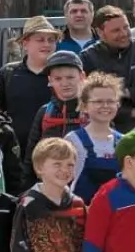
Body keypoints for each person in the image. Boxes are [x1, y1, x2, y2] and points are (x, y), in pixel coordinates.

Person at [23, 50, 88, 181]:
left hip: (83, 186)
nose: (64, 83)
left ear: (82, 77)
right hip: (48, 186)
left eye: (70, 77)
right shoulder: (44, 112)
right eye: (58, 79)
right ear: (50, 80)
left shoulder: (92, 111)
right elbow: (31, 157)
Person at [67, 72, 125, 203]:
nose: (105, 106)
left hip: (116, 210)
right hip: (81, 210)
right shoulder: (73, 140)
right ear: (84, 106)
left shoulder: (124, 141)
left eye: (110, 101)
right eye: (98, 101)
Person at [0, 16, 59, 131]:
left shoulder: (62, 75)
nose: (46, 44)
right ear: (25, 44)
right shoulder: (8, 73)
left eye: (51, 40)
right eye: (40, 40)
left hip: (53, 141)